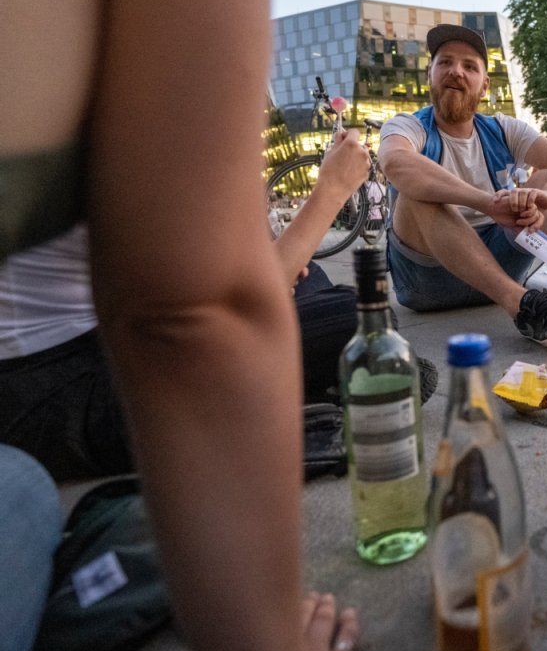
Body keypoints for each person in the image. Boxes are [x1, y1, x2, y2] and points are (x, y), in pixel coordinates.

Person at [1, 0, 357, 651]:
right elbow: (190, 308)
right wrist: (330, 193)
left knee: (325, 300)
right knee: (335, 322)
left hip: (39, 361)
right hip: (50, 381)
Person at [0, 129, 420, 480]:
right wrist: (331, 190)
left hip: (119, 332)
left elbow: (232, 263)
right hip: (55, 390)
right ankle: (276, 405)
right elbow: (236, 303)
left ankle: (282, 393)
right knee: (353, 321)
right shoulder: (118, 140)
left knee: (314, 280)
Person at [377, 24, 547, 347]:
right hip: (428, 279)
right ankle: (524, 308)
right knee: (415, 195)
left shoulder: (502, 128)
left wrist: (546, 195)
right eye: (445, 63)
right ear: (430, 75)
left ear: (484, 86)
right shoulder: (408, 125)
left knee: (546, 181)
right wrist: (487, 203)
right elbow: (395, 162)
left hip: (500, 260)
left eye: (469, 66)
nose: (456, 72)